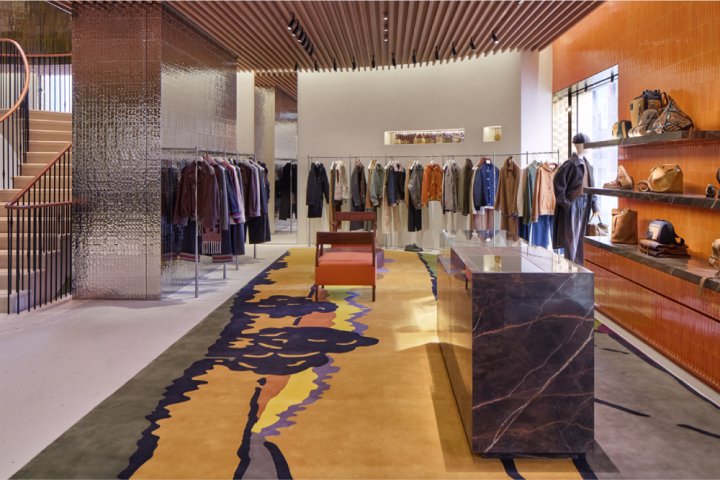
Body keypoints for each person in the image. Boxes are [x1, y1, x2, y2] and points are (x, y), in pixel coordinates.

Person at [552, 133, 601, 265]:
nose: (588, 148)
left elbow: (592, 187)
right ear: (578, 145)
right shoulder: (569, 164)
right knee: (571, 240)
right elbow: (558, 186)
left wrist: (595, 206)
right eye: (586, 145)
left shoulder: (588, 164)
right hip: (573, 204)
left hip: (586, 203)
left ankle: (579, 269)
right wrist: (567, 205)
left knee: (581, 239)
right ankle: (570, 269)